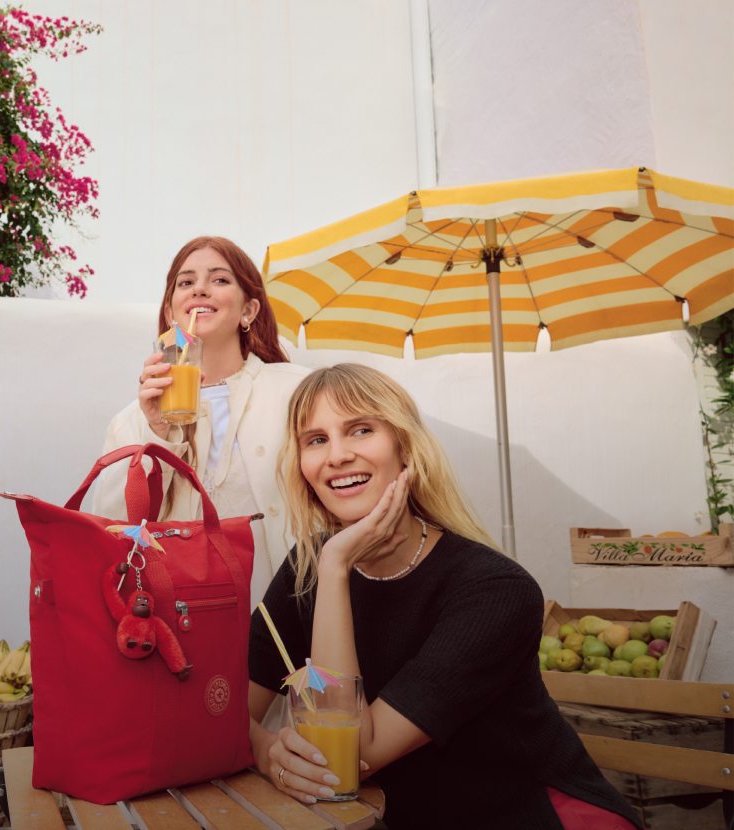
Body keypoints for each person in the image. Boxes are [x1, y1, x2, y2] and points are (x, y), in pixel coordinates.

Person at [248, 364, 641, 830]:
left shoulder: (496, 592)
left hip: (527, 816)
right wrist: (268, 752)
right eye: (315, 439)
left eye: (360, 429)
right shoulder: (308, 566)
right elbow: (220, 711)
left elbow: (349, 761)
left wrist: (335, 569)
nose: (337, 455)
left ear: (405, 447)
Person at [92, 236, 310, 603]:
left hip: (278, 613)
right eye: (186, 282)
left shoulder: (297, 393)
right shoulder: (130, 421)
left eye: (220, 280)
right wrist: (157, 433)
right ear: (170, 311)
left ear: (249, 311)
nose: (200, 290)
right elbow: (112, 531)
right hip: (176, 617)